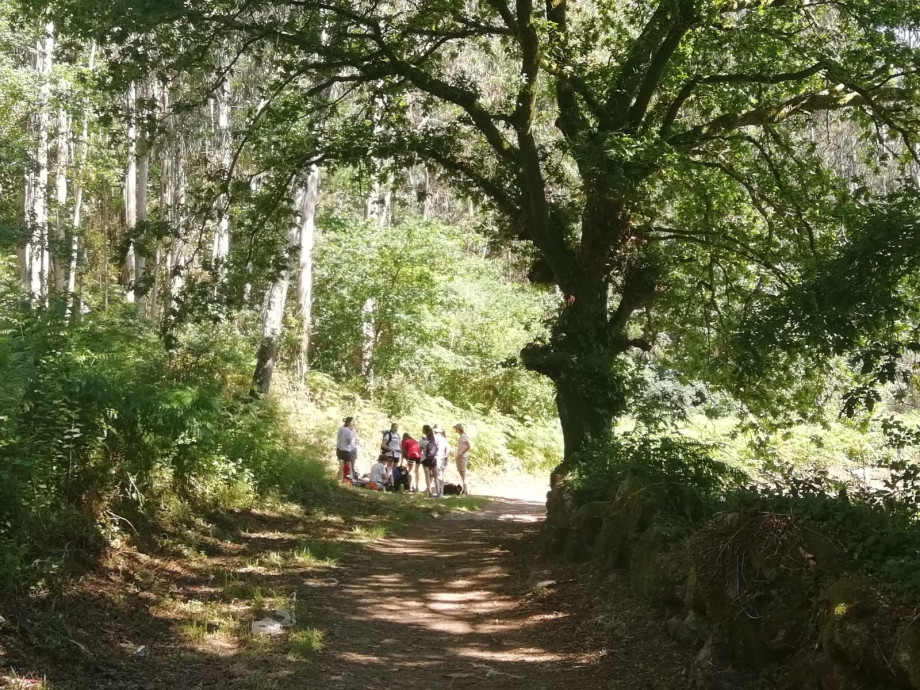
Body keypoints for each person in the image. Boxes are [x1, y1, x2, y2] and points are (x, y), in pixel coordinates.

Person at [420, 424, 439, 496]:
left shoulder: (422, 440)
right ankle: (438, 492)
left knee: (427, 477)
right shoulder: (434, 438)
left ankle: (430, 492)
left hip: (425, 459)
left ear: (424, 430)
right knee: (436, 477)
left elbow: (419, 451)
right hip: (433, 459)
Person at [453, 423, 471, 495]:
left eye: (456, 428)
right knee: (461, 472)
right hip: (461, 456)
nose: (455, 429)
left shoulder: (463, 436)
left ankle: (465, 489)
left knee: (463, 473)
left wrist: (461, 453)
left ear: (459, 428)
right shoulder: (462, 436)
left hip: (462, 457)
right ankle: (464, 489)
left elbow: (468, 446)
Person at [433, 424, 450, 497]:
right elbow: (449, 449)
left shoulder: (436, 438)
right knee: (441, 475)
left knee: (437, 476)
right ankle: (441, 492)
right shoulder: (443, 439)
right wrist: (446, 456)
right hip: (442, 459)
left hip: (437, 458)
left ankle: (439, 493)